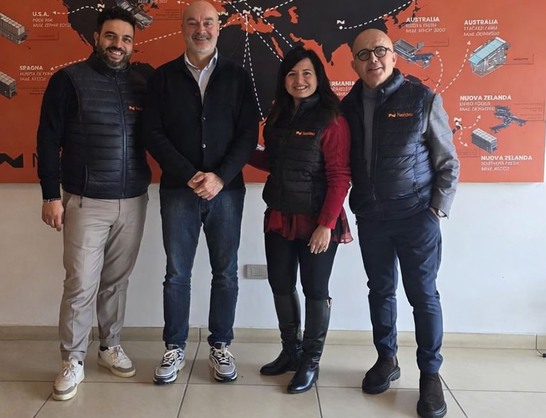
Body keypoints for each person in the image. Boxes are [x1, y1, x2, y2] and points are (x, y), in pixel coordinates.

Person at [341, 28, 459, 418]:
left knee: (423, 296)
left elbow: (448, 163)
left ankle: (430, 375)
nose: (373, 59)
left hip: (416, 218)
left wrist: (436, 210)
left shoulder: (423, 99)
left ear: (394, 56)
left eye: (380, 51)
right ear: (354, 63)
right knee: (380, 291)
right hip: (371, 219)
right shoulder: (347, 106)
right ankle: (386, 359)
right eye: (364, 54)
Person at [36, 7, 151, 401]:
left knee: (116, 282)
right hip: (85, 201)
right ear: (97, 37)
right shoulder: (68, 80)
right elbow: (47, 140)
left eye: (126, 39)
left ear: (133, 44)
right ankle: (73, 359)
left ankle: (109, 346)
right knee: (80, 284)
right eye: (111, 36)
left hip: (133, 200)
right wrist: (51, 196)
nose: (118, 45)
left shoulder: (142, 83)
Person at [143, 0, 259, 385]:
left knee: (225, 272)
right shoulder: (163, 78)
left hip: (227, 192)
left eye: (208, 22)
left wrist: (220, 177)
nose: (201, 29)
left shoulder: (238, 77)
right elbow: (153, 133)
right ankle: (174, 347)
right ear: (182, 28)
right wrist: (190, 174)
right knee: (177, 272)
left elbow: (248, 135)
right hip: (179, 190)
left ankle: (220, 345)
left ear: (218, 27)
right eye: (193, 23)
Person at [248, 46, 352, 394]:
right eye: (292, 74)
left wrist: (326, 224)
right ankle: (290, 352)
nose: (299, 80)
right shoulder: (278, 117)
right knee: (280, 284)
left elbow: (340, 176)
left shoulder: (331, 118)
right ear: (284, 80)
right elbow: (273, 162)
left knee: (315, 290)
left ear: (318, 77)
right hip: (280, 215)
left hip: (317, 222)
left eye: (307, 73)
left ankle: (310, 361)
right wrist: (240, 148)